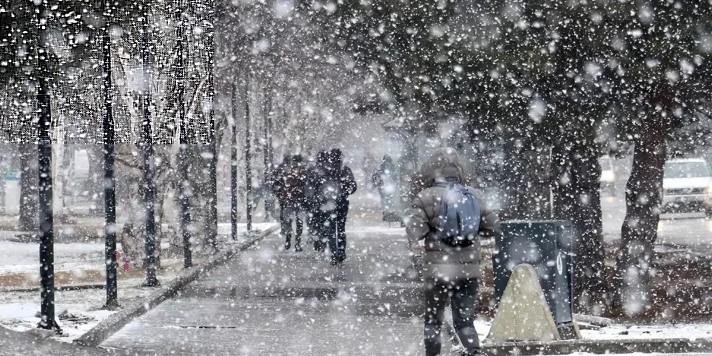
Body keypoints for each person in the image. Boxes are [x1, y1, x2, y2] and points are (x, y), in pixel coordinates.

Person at [406, 148, 500, 356]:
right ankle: (473, 351)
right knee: (464, 319)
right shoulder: (474, 196)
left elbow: (415, 231)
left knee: (433, 320)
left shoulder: (425, 197)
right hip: (469, 272)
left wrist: (429, 224)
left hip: (438, 271)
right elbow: (493, 225)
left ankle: (433, 354)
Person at [315, 148, 357, 265]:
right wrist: (344, 192)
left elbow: (317, 186)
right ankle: (341, 251)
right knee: (341, 229)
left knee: (332, 229)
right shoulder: (345, 170)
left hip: (328, 204)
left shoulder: (324, 170)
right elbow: (353, 186)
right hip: (342, 203)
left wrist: (323, 197)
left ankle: (334, 253)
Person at [272, 154, 307, 251]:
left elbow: (276, 185)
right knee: (299, 223)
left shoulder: (285, 172)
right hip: (299, 201)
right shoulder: (303, 172)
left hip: (288, 201)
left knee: (288, 222)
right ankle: (297, 243)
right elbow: (307, 187)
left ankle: (288, 240)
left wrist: (281, 196)